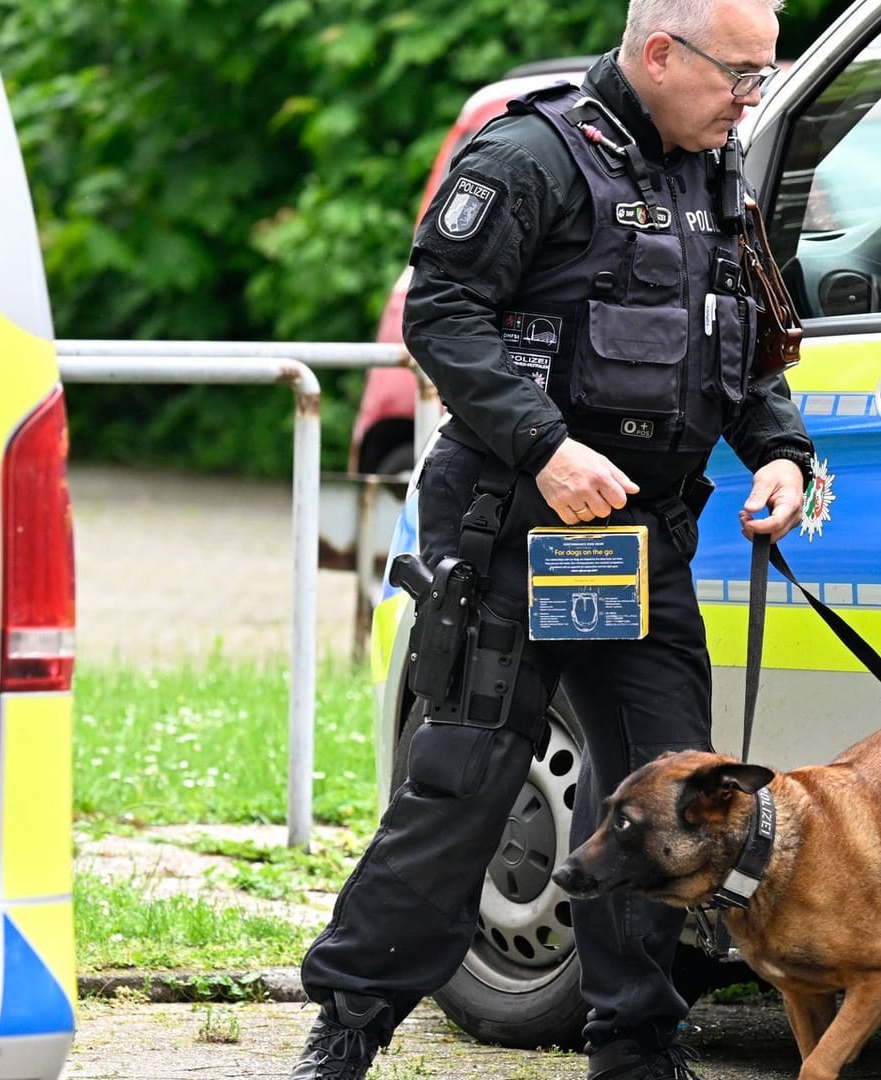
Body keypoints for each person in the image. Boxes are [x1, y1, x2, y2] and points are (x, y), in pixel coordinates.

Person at [289, 1, 817, 1078]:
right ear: (660, 52)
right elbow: (440, 315)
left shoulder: (719, 176)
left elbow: (751, 353)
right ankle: (346, 1034)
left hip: (643, 545)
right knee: (463, 787)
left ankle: (638, 1044)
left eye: (765, 77)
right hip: (512, 530)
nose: (749, 100)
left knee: (674, 803)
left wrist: (781, 454)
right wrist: (544, 448)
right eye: (740, 76)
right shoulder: (531, 155)